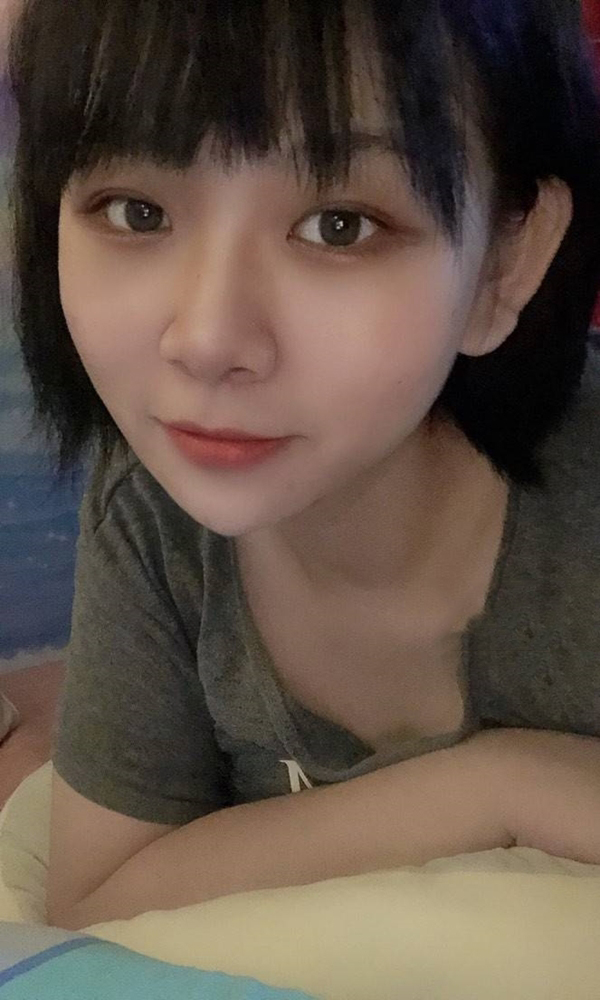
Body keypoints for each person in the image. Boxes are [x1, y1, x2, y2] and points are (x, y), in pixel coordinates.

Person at [7, 0, 600, 932]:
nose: (207, 341)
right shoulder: (150, 512)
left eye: (339, 226)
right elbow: (97, 895)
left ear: (506, 262)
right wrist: (500, 783)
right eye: (137, 212)